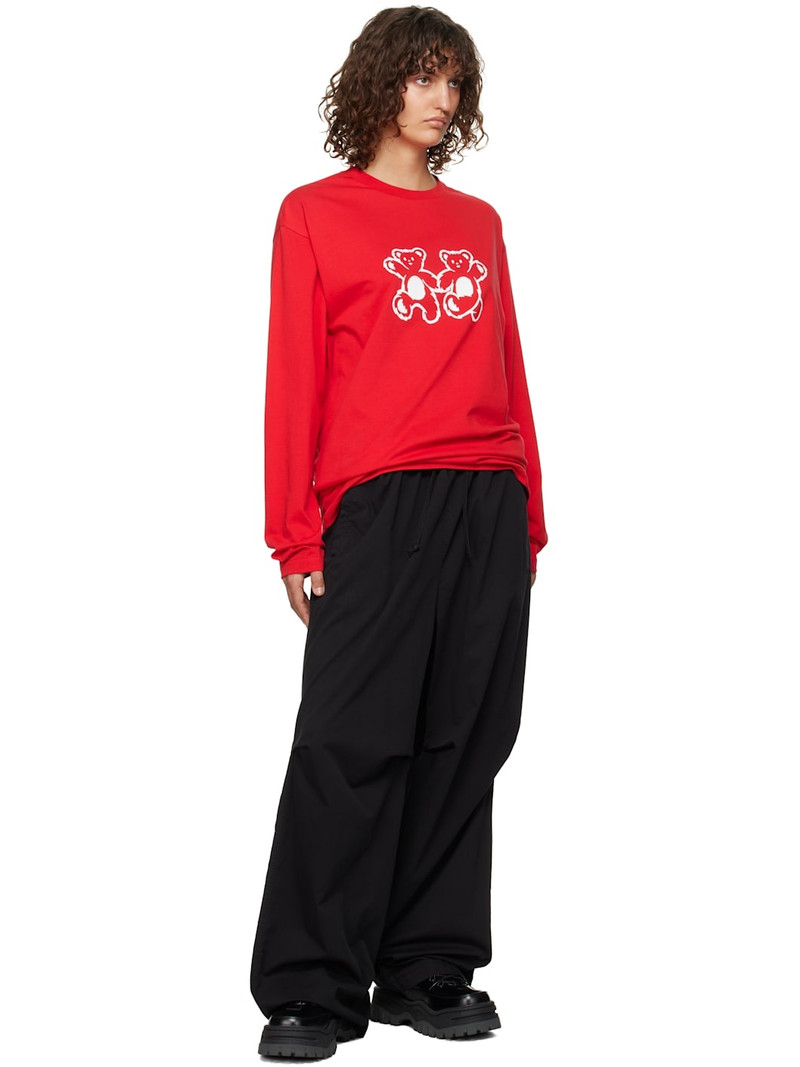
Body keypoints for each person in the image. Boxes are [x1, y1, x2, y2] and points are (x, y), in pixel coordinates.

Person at [250, 5, 548, 1059]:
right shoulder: (315, 214)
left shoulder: (479, 223)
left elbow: (507, 366)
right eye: (422, 77)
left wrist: (530, 513)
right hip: (375, 503)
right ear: (378, 84)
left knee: (467, 737)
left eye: (454, 82)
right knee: (349, 738)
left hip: (485, 497)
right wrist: (295, 535)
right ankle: (310, 986)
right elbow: (296, 378)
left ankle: (427, 965)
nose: (441, 100)